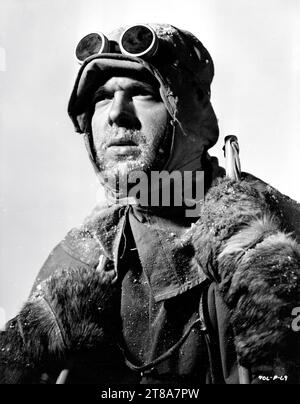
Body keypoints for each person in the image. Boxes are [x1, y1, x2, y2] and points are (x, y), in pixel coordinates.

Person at [0, 23, 299, 384]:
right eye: (101, 97)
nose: (115, 113)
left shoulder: (280, 235)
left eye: (142, 92)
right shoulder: (80, 258)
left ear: (192, 110)